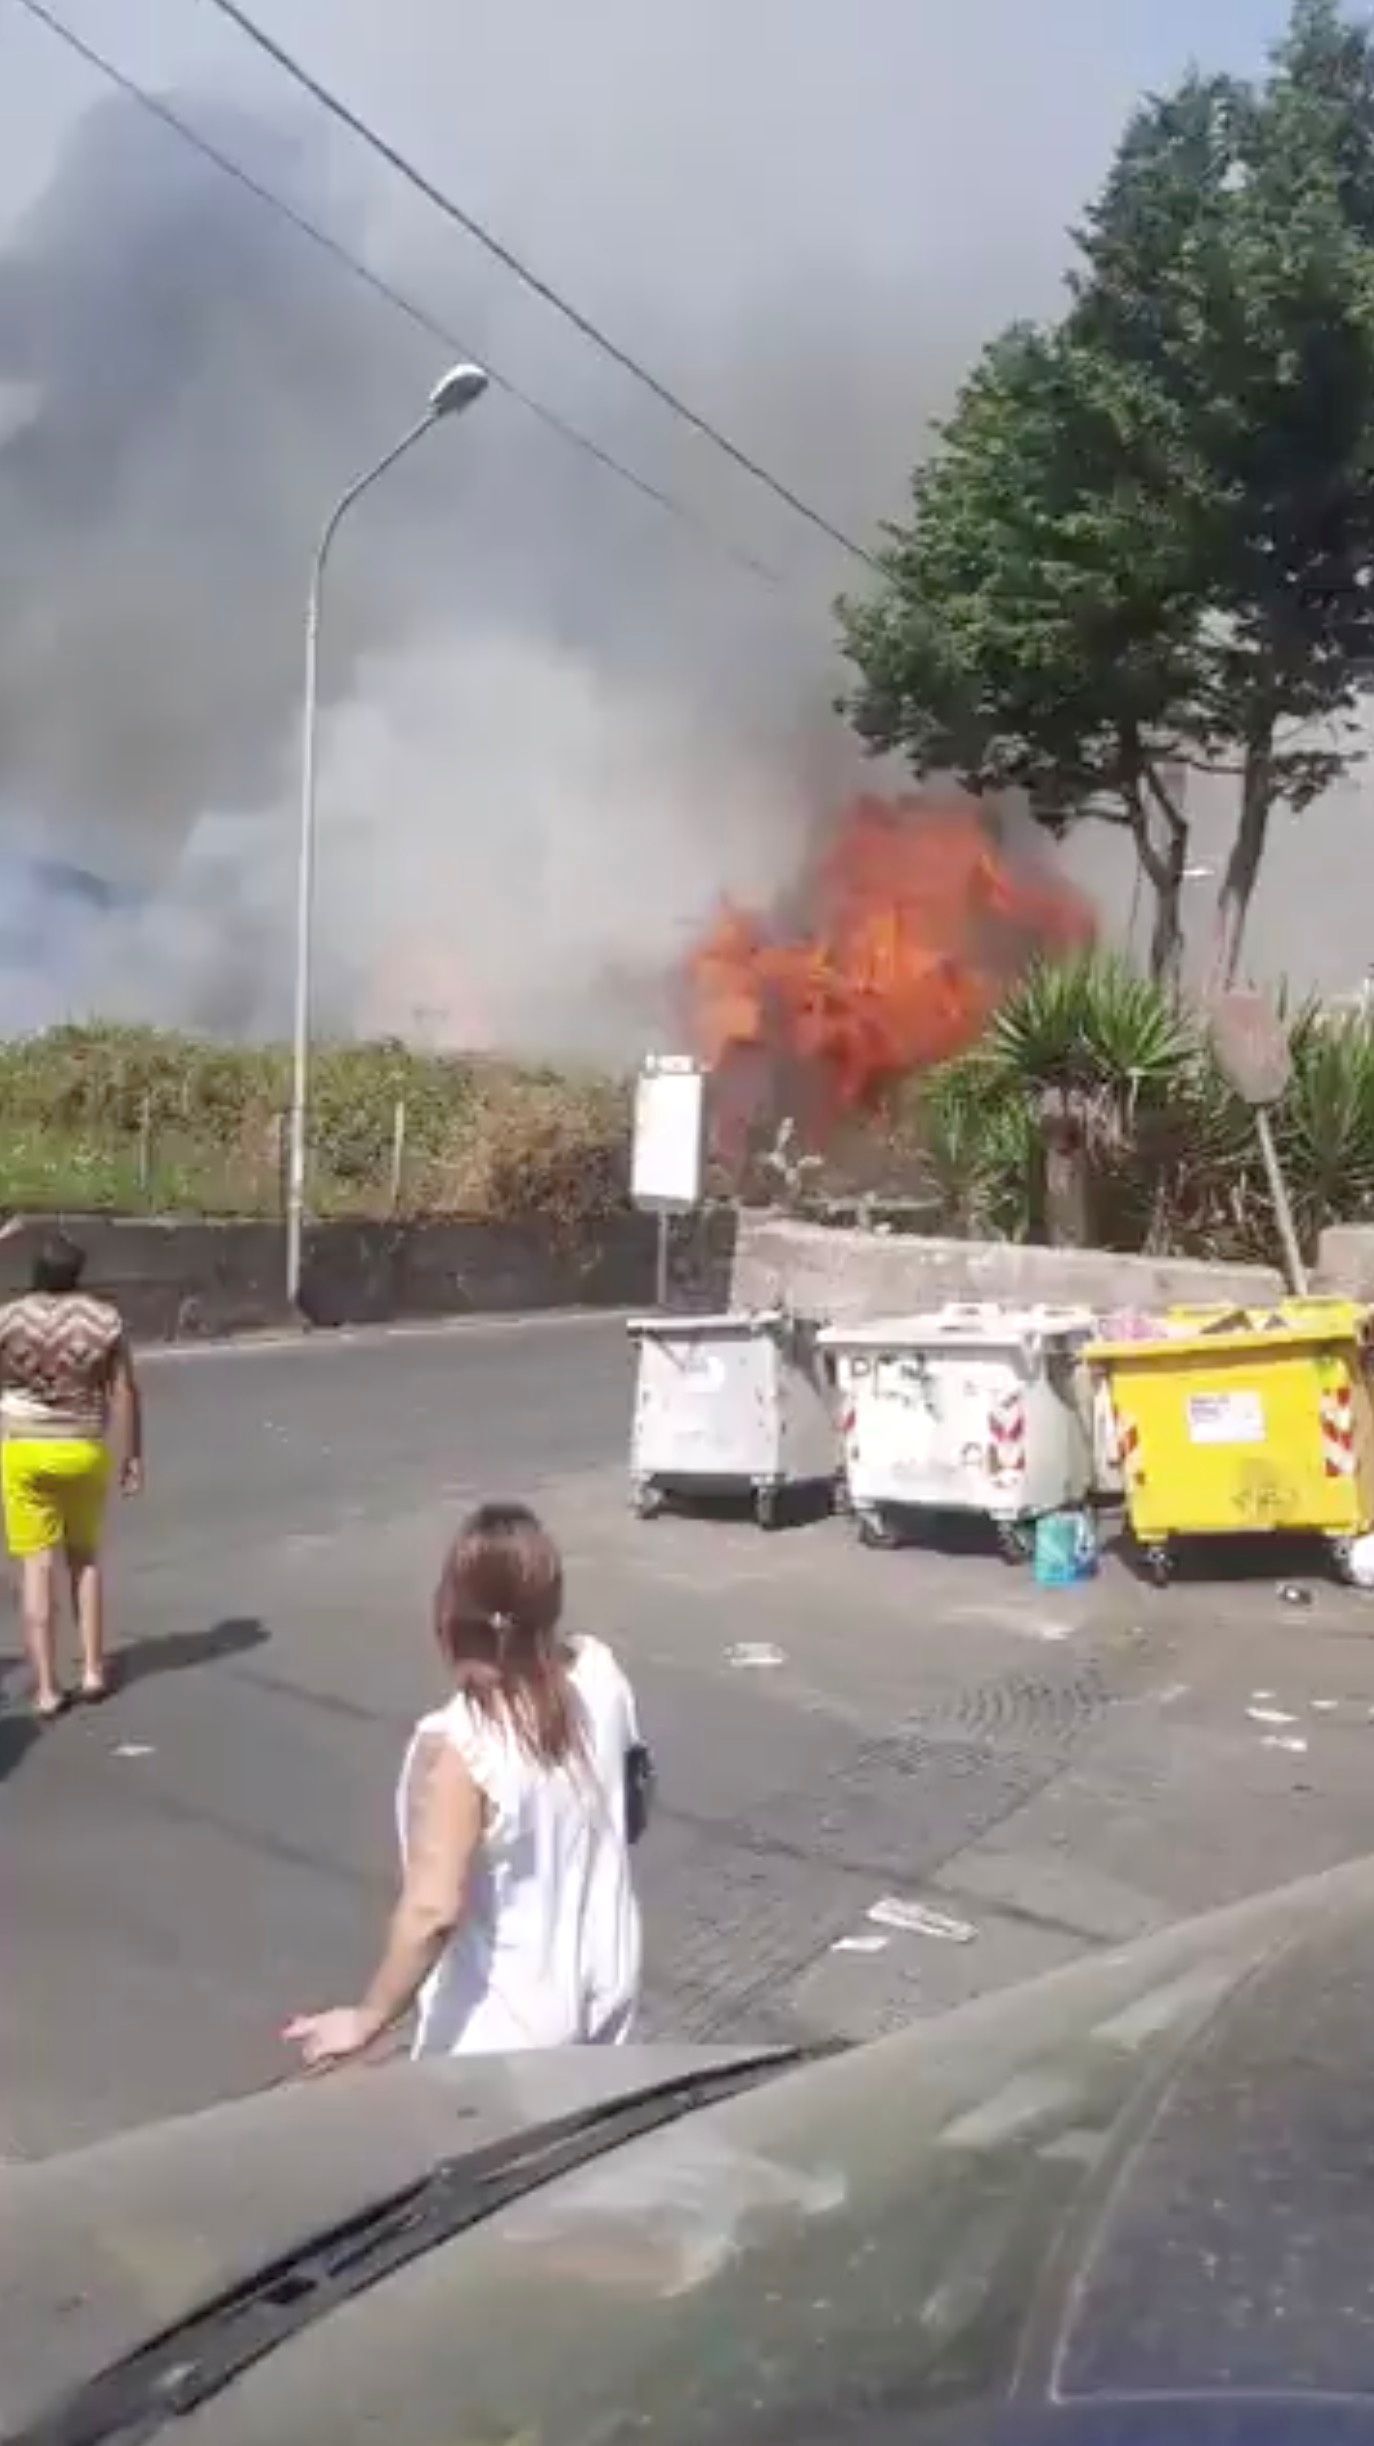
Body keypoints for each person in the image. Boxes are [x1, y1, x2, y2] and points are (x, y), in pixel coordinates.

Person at [286, 1501, 644, 2067]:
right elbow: (633, 1806)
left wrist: (368, 2016)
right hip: (607, 1994)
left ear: (450, 1613)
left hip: (498, 2037)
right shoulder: (601, 1675)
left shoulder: (464, 1745)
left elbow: (433, 1911)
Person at [0, 1230, 143, 1719]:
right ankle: (93, 1671)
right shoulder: (103, 1319)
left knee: (36, 1567)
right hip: (82, 1446)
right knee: (83, 1560)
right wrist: (132, 1455)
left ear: (35, 1273)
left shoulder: (9, 1318)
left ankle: (45, 1688)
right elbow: (124, 1390)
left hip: (24, 1450)